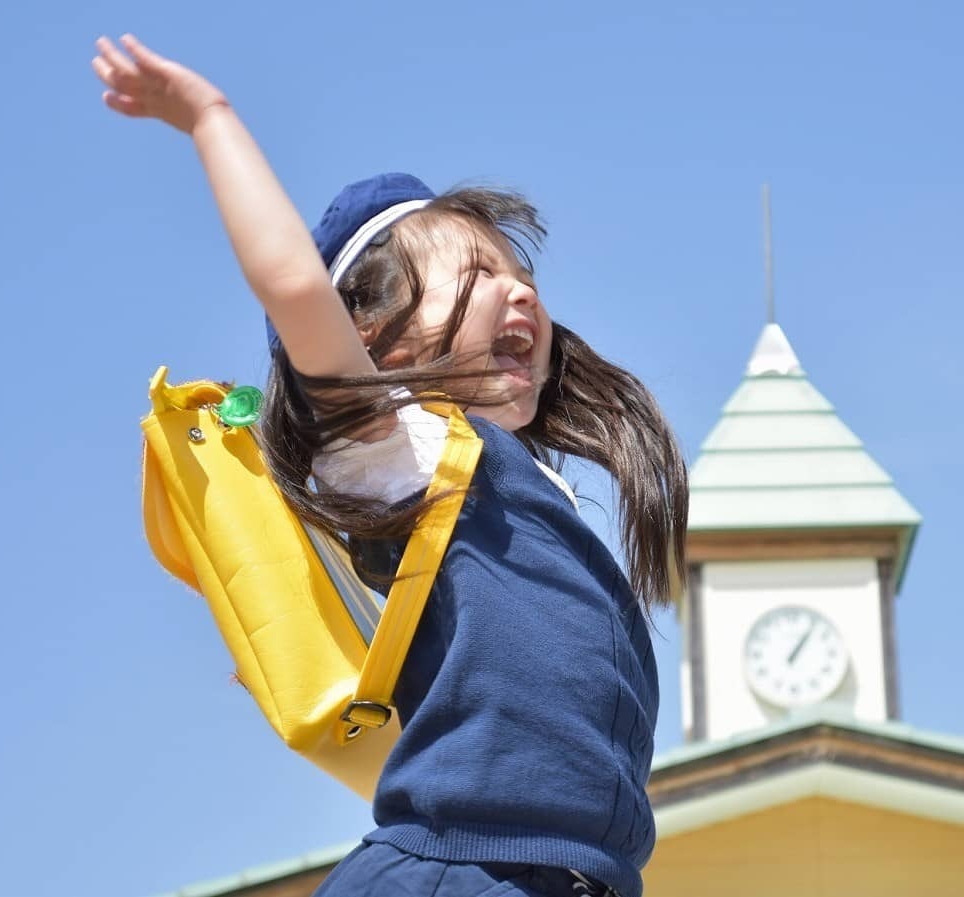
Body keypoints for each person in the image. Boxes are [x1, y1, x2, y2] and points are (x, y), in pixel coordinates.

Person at [92, 34, 686, 897]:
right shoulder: (399, 451)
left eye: (524, 274)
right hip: (460, 867)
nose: (522, 291)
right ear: (369, 331)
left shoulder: (529, 486)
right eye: (479, 273)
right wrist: (208, 117)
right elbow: (296, 285)